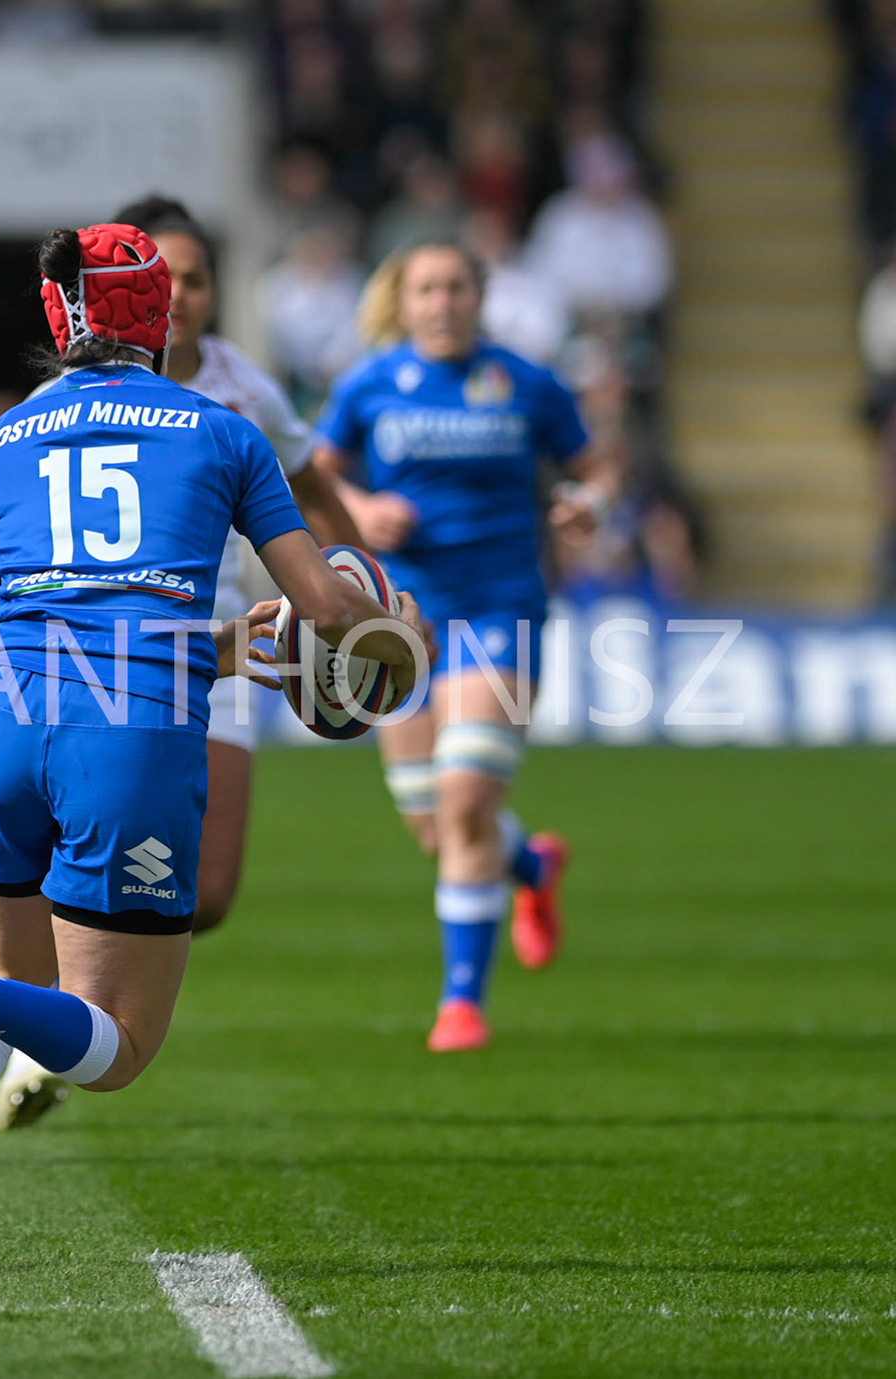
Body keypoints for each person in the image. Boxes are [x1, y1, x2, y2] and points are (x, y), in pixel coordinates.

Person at [0, 224, 426, 1269]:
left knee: (18, 979)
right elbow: (326, 606)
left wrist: (208, 650)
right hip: (130, 737)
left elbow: (24, 616)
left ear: (57, 319)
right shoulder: (220, 428)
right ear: (160, 316)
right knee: (114, 1046)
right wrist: (405, 637)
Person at [0, 194, 369, 1132]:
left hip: (236, 643)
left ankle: (68, 1002)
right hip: (133, 662)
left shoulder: (244, 393)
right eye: (172, 280)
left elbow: (314, 486)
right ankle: (65, 1021)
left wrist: (373, 588)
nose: (186, 296)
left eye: (198, 278)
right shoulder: (66, 408)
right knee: (117, 879)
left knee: (211, 894)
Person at [311, 240, 606, 1054]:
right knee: (435, 824)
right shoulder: (370, 383)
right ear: (402, 304)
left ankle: (461, 1003)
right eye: (427, 289)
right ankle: (532, 869)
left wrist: (586, 503)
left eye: (457, 287)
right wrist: (360, 509)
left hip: (502, 610)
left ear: (481, 297)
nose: (443, 302)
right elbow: (316, 477)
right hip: (401, 623)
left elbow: (593, 468)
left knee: (466, 798)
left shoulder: (527, 382)